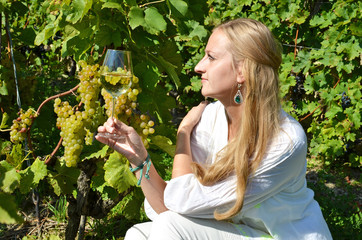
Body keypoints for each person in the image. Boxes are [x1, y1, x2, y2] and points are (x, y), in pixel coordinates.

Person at [96, 18, 332, 240]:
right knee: (138, 234)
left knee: (167, 227)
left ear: (242, 71)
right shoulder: (210, 118)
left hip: (281, 236)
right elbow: (169, 206)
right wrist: (139, 158)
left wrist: (183, 133)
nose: (199, 67)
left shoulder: (285, 141)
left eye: (211, 57)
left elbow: (179, 204)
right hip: (236, 230)